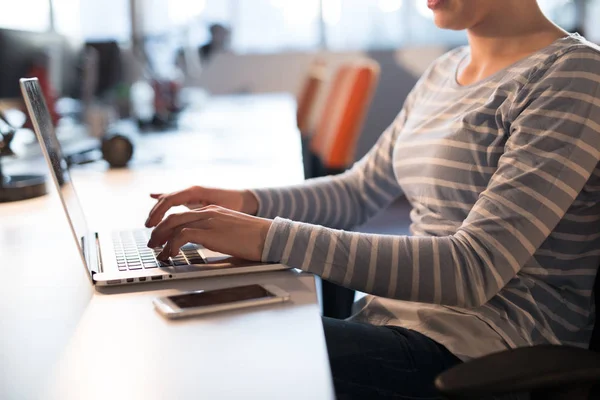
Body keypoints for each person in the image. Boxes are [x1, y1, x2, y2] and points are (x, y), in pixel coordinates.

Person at [145, 0, 600, 398]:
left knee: (216, 350)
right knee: (200, 325)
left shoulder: (573, 75)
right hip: (393, 319)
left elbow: (474, 268)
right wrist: (243, 203)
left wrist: (267, 237)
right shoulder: (446, 70)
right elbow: (359, 191)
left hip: (486, 353)